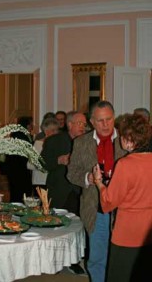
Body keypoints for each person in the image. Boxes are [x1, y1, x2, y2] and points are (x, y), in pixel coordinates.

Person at [67, 101, 126, 282]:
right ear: (92, 121)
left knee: (121, 259)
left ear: (113, 118)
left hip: (124, 209)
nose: (105, 124)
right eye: (100, 121)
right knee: (96, 259)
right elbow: (72, 172)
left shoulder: (127, 140)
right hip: (96, 208)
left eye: (109, 119)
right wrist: (88, 178)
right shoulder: (81, 143)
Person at [93, 113, 152, 282]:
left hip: (127, 231)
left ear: (127, 139)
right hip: (149, 230)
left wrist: (99, 182)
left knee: (120, 276)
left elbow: (109, 202)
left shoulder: (126, 164)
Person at [41, 111, 87, 276]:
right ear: (69, 124)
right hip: (59, 189)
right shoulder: (55, 141)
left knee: (75, 228)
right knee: (56, 227)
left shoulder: (87, 140)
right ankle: (55, 260)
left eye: (84, 123)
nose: (83, 126)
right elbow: (42, 163)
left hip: (79, 190)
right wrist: (58, 161)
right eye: (79, 123)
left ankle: (74, 261)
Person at [27, 117, 60, 195]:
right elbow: (30, 165)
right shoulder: (38, 144)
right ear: (46, 131)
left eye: (57, 130)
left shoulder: (59, 144)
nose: (56, 133)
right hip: (41, 182)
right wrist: (46, 165)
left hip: (54, 181)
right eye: (53, 130)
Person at [6, 116, 34, 202]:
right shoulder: (22, 136)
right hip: (20, 170)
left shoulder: (15, 134)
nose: (33, 126)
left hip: (14, 169)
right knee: (22, 194)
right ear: (28, 125)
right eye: (32, 124)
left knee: (15, 193)